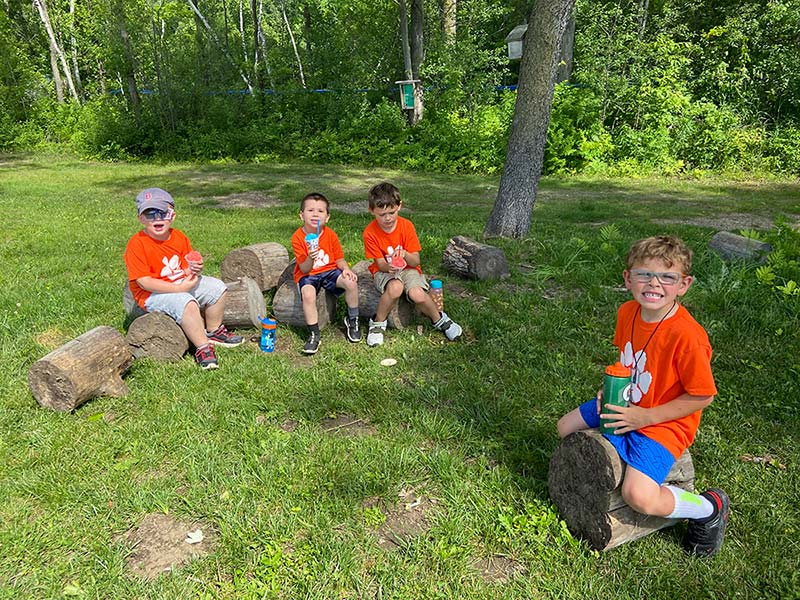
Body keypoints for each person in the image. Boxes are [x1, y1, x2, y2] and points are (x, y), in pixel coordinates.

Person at [556, 235, 730, 557]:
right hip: (624, 404)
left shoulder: (687, 336)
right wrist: (608, 391)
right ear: (627, 279)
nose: (654, 284)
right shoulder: (627, 312)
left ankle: (707, 508)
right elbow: (630, 362)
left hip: (663, 422)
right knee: (565, 428)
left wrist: (644, 417)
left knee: (640, 496)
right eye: (644, 274)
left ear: (684, 284)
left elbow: (702, 396)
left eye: (667, 277)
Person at [124, 187, 243, 370]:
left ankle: (213, 330)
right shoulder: (137, 244)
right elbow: (144, 282)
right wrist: (180, 289)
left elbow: (185, 266)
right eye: (150, 214)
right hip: (151, 294)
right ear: (140, 218)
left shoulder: (179, 237)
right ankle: (202, 347)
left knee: (217, 288)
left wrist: (193, 270)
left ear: (172, 215)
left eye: (162, 212)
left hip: (179, 283)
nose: (157, 218)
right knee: (186, 302)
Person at [362, 182, 462, 347]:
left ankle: (439, 319)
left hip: (409, 269)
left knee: (417, 294)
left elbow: (416, 261)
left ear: (399, 206)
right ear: (371, 210)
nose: (387, 218)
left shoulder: (406, 226)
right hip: (385, 271)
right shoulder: (369, 232)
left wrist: (405, 255)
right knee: (395, 288)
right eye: (382, 214)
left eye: (391, 212)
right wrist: (390, 267)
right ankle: (377, 323)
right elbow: (379, 264)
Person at [290, 192, 360, 354]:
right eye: (310, 210)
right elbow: (304, 269)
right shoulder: (298, 237)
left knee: (351, 282)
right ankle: (314, 333)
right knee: (308, 294)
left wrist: (346, 269)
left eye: (320, 211)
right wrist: (310, 256)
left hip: (329, 271)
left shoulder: (330, 235)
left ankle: (352, 320)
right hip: (308, 274)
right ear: (301, 215)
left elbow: (339, 259)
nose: (315, 214)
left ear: (327, 217)